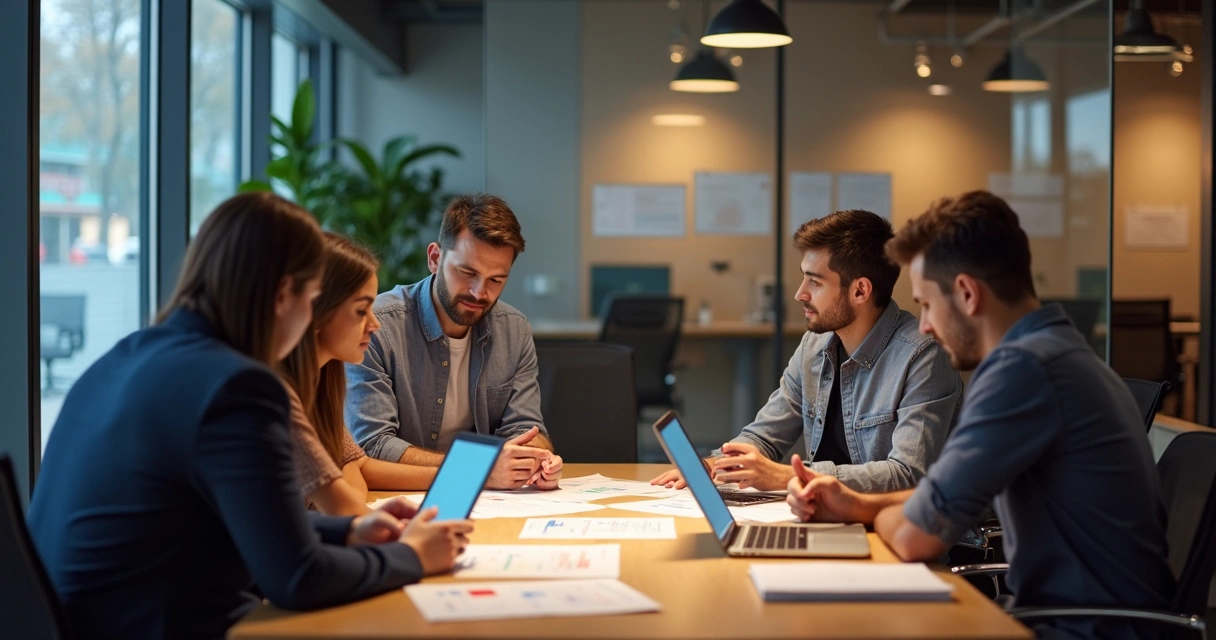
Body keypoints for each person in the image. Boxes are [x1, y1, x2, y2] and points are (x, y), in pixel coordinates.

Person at [27, 193, 473, 640]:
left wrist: (351, 530)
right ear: (283, 295)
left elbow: (236, 521)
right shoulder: (237, 387)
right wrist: (414, 556)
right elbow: (298, 578)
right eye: (313, 297)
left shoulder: (127, 355)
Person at [786, 191, 1173, 639]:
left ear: (967, 293)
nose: (925, 325)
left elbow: (917, 536)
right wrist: (857, 504)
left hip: (1078, 629)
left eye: (928, 304)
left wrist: (877, 514)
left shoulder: (1022, 370)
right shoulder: (1055, 352)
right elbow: (939, 494)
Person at [652, 209, 962, 492]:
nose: (800, 293)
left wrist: (788, 477)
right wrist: (713, 465)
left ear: (860, 291)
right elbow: (764, 437)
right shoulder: (815, 345)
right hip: (828, 518)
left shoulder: (923, 356)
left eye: (814, 282)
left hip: (894, 533)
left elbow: (908, 476)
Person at [346, 193, 562, 490]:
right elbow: (373, 444)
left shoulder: (514, 329)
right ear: (435, 258)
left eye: (496, 280)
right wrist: (477, 469)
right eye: (467, 273)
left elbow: (525, 428)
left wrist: (536, 456)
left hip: (491, 501)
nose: (479, 293)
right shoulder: (377, 327)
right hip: (399, 498)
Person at [281, 233, 444, 516]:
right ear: (317, 310)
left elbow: (353, 463)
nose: (375, 324)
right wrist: (358, 516)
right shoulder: (277, 394)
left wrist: (453, 477)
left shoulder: (321, 381)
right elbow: (340, 497)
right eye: (361, 310)